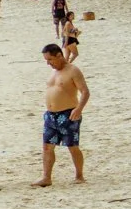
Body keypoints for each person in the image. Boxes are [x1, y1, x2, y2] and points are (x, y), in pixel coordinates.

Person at [35, 42, 90, 187]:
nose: (48, 63)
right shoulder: (54, 71)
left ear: (59, 55)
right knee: (47, 146)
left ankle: (79, 175)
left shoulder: (73, 70)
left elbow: (85, 91)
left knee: (72, 146)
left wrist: (79, 109)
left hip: (68, 113)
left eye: (50, 59)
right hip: (50, 115)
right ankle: (46, 177)